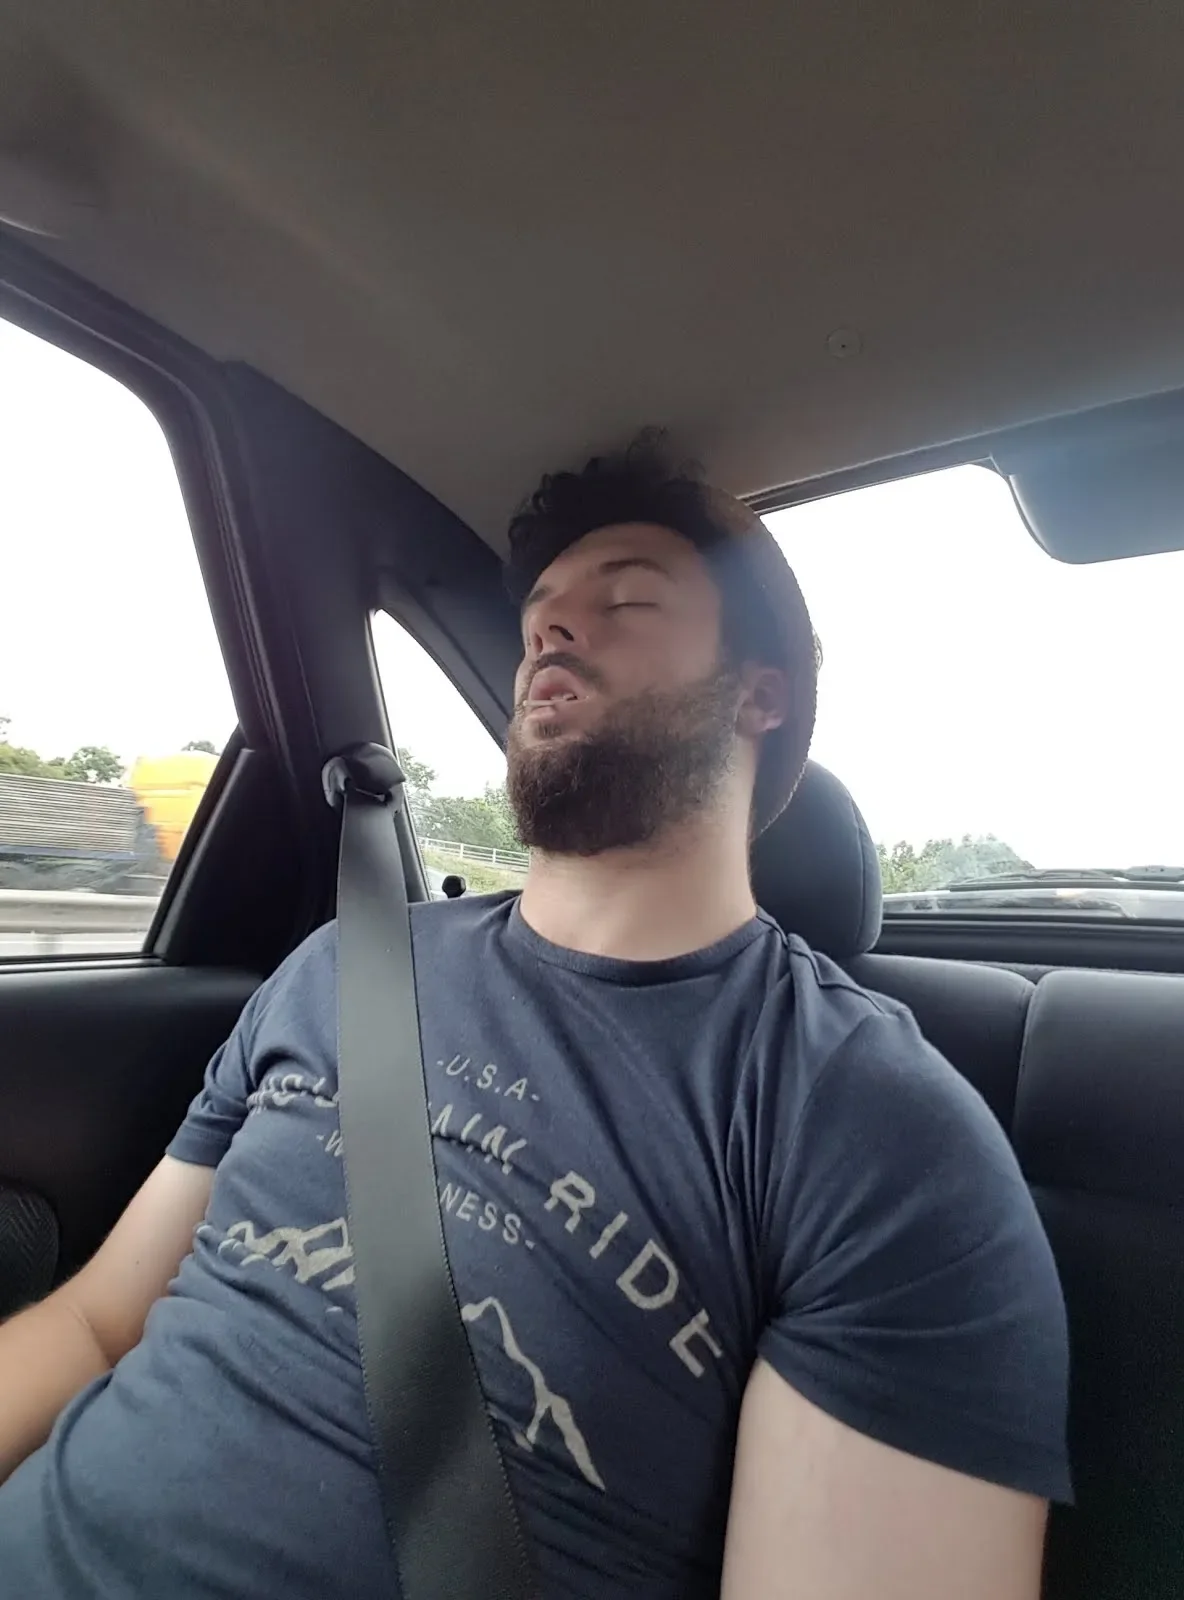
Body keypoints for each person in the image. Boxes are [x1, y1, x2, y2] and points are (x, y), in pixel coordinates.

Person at [0, 438, 1070, 1598]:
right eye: (543, 614)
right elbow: (101, 1324)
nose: (555, 629)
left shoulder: (869, 1125)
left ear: (761, 692)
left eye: (628, 599)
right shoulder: (336, 969)